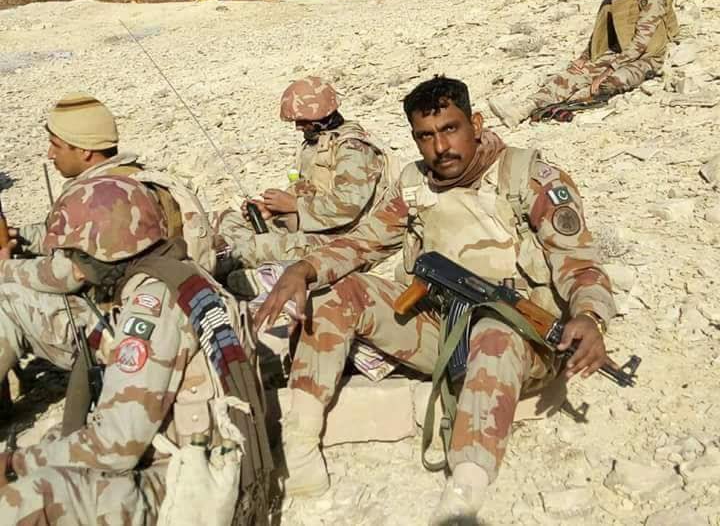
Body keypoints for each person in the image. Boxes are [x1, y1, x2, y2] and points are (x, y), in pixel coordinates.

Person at [256, 76, 616, 525]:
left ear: (476, 124)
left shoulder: (527, 178)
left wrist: (589, 316)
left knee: (495, 333)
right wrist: (305, 269)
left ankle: (464, 492)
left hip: (522, 334)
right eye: (426, 136)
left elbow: (579, 263)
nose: (440, 147)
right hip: (441, 327)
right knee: (338, 292)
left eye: (450, 129)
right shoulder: (414, 185)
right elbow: (365, 242)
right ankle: (300, 447)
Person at [0, 174, 271, 524]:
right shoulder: (178, 272)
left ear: (102, 252)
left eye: (76, 255)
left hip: (192, 482)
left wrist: (17, 464)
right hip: (204, 456)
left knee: (24, 500)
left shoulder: (151, 304)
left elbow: (116, 446)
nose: (74, 267)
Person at [0, 93, 214, 414]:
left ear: (84, 150)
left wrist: (5, 270)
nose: (49, 154)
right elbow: (90, 241)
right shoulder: (137, 180)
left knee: (6, 300)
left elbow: (69, 275)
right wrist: (25, 239)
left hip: (128, 334)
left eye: (56, 145)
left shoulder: (99, 197)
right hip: (176, 314)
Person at [214, 76, 392, 285]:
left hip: (344, 241)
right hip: (312, 225)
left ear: (322, 115)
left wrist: (294, 206)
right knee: (228, 220)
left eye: (303, 122)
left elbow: (348, 206)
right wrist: (272, 209)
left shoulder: (353, 148)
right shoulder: (318, 143)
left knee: (249, 250)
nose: (298, 127)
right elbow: (310, 188)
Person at [489, 0, 678, 127]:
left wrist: (608, 71)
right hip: (618, 54)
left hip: (646, 58)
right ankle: (522, 110)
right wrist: (584, 58)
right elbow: (598, 36)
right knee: (570, 76)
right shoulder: (611, 0)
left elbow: (641, 43)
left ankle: (567, 101)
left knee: (610, 83)